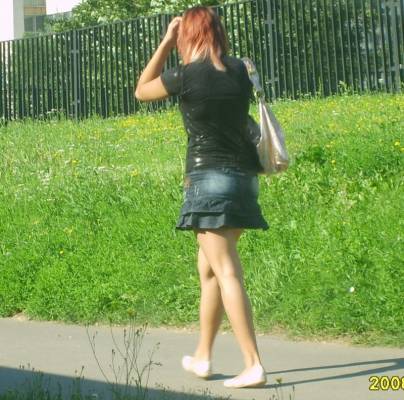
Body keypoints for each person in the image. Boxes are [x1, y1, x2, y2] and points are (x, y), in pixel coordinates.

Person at [135, 5, 268, 389]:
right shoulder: (242, 69)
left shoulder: (185, 75)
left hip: (208, 182)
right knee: (209, 270)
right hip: (244, 180)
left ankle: (253, 364)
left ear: (186, 36)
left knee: (226, 271)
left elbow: (142, 90)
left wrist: (165, 42)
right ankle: (203, 356)